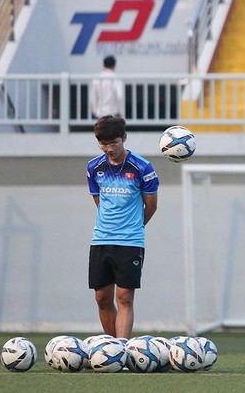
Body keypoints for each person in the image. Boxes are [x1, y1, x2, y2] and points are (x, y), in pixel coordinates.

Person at [86, 115, 158, 339]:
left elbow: (151, 206)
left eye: (113, 142)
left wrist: (134, 226)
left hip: (130, 241)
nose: (108, 148)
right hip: (101, 240)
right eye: (103, 143)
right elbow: (99, 202)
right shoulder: (93, 168)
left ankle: (122, 348)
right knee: (102, 298)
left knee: (125, 297)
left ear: (124, 138)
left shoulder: (142, 167)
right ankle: (111, 348)